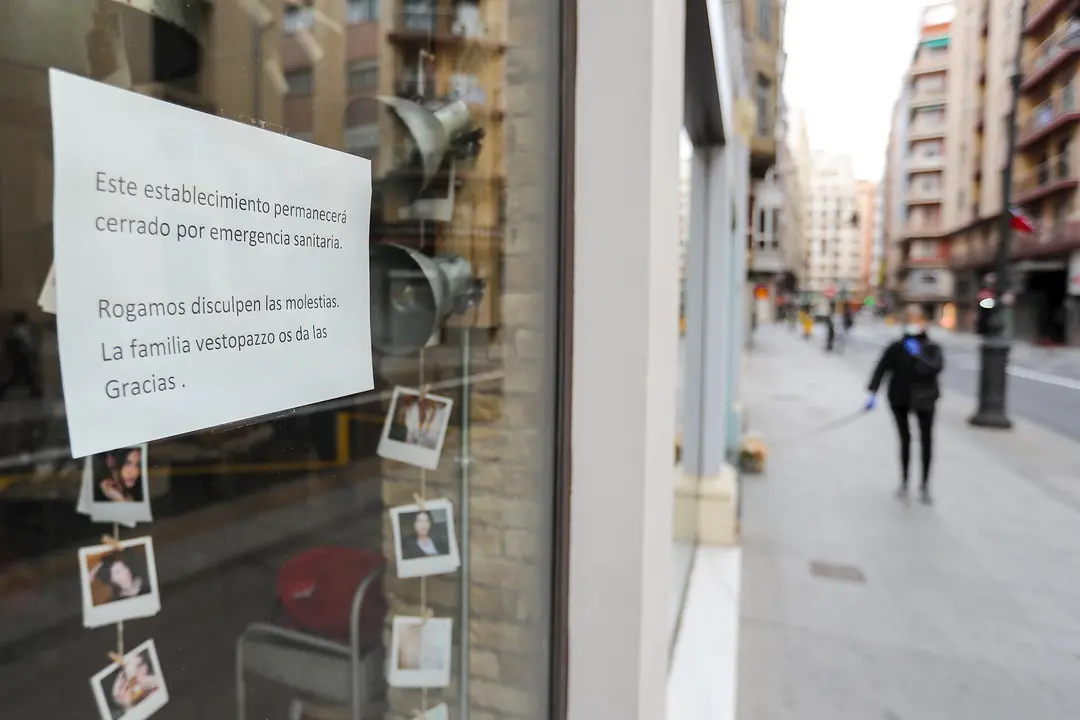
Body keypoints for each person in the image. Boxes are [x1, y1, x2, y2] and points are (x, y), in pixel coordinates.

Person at [865, 305, 945, 504]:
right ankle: (904, 481)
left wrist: (918, 356)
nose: (912, 324)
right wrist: (873, 392)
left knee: (926, 439)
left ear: (923, 322)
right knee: (905, 439)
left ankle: (925, 484)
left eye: (916, 320)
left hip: (925, 398)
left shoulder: (932, 347)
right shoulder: (896, 346)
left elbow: (935, 368)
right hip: (899, 397)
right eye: (909, 320)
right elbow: (882, 368)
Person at [0, 312, 41, 402]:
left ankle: (36, 392)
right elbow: (28, 345)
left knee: (20, 377)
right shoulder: (20, 331)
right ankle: (36, 393)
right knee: (22, 377)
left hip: (19, 358)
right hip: (22, 358)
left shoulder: (14, 331)